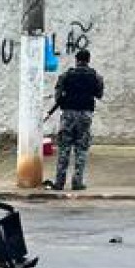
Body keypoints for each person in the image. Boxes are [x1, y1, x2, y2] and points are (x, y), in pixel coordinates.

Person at [47, 48, 105, 191]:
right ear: (88, 60)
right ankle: (77, 182)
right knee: (81, 149)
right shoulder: (95, 76)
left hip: (68, 115)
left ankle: (59, 183)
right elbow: (99, 94)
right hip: (85, 115)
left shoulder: (66, 76)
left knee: (64, 148)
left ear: (76, 60)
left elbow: (58, 96)